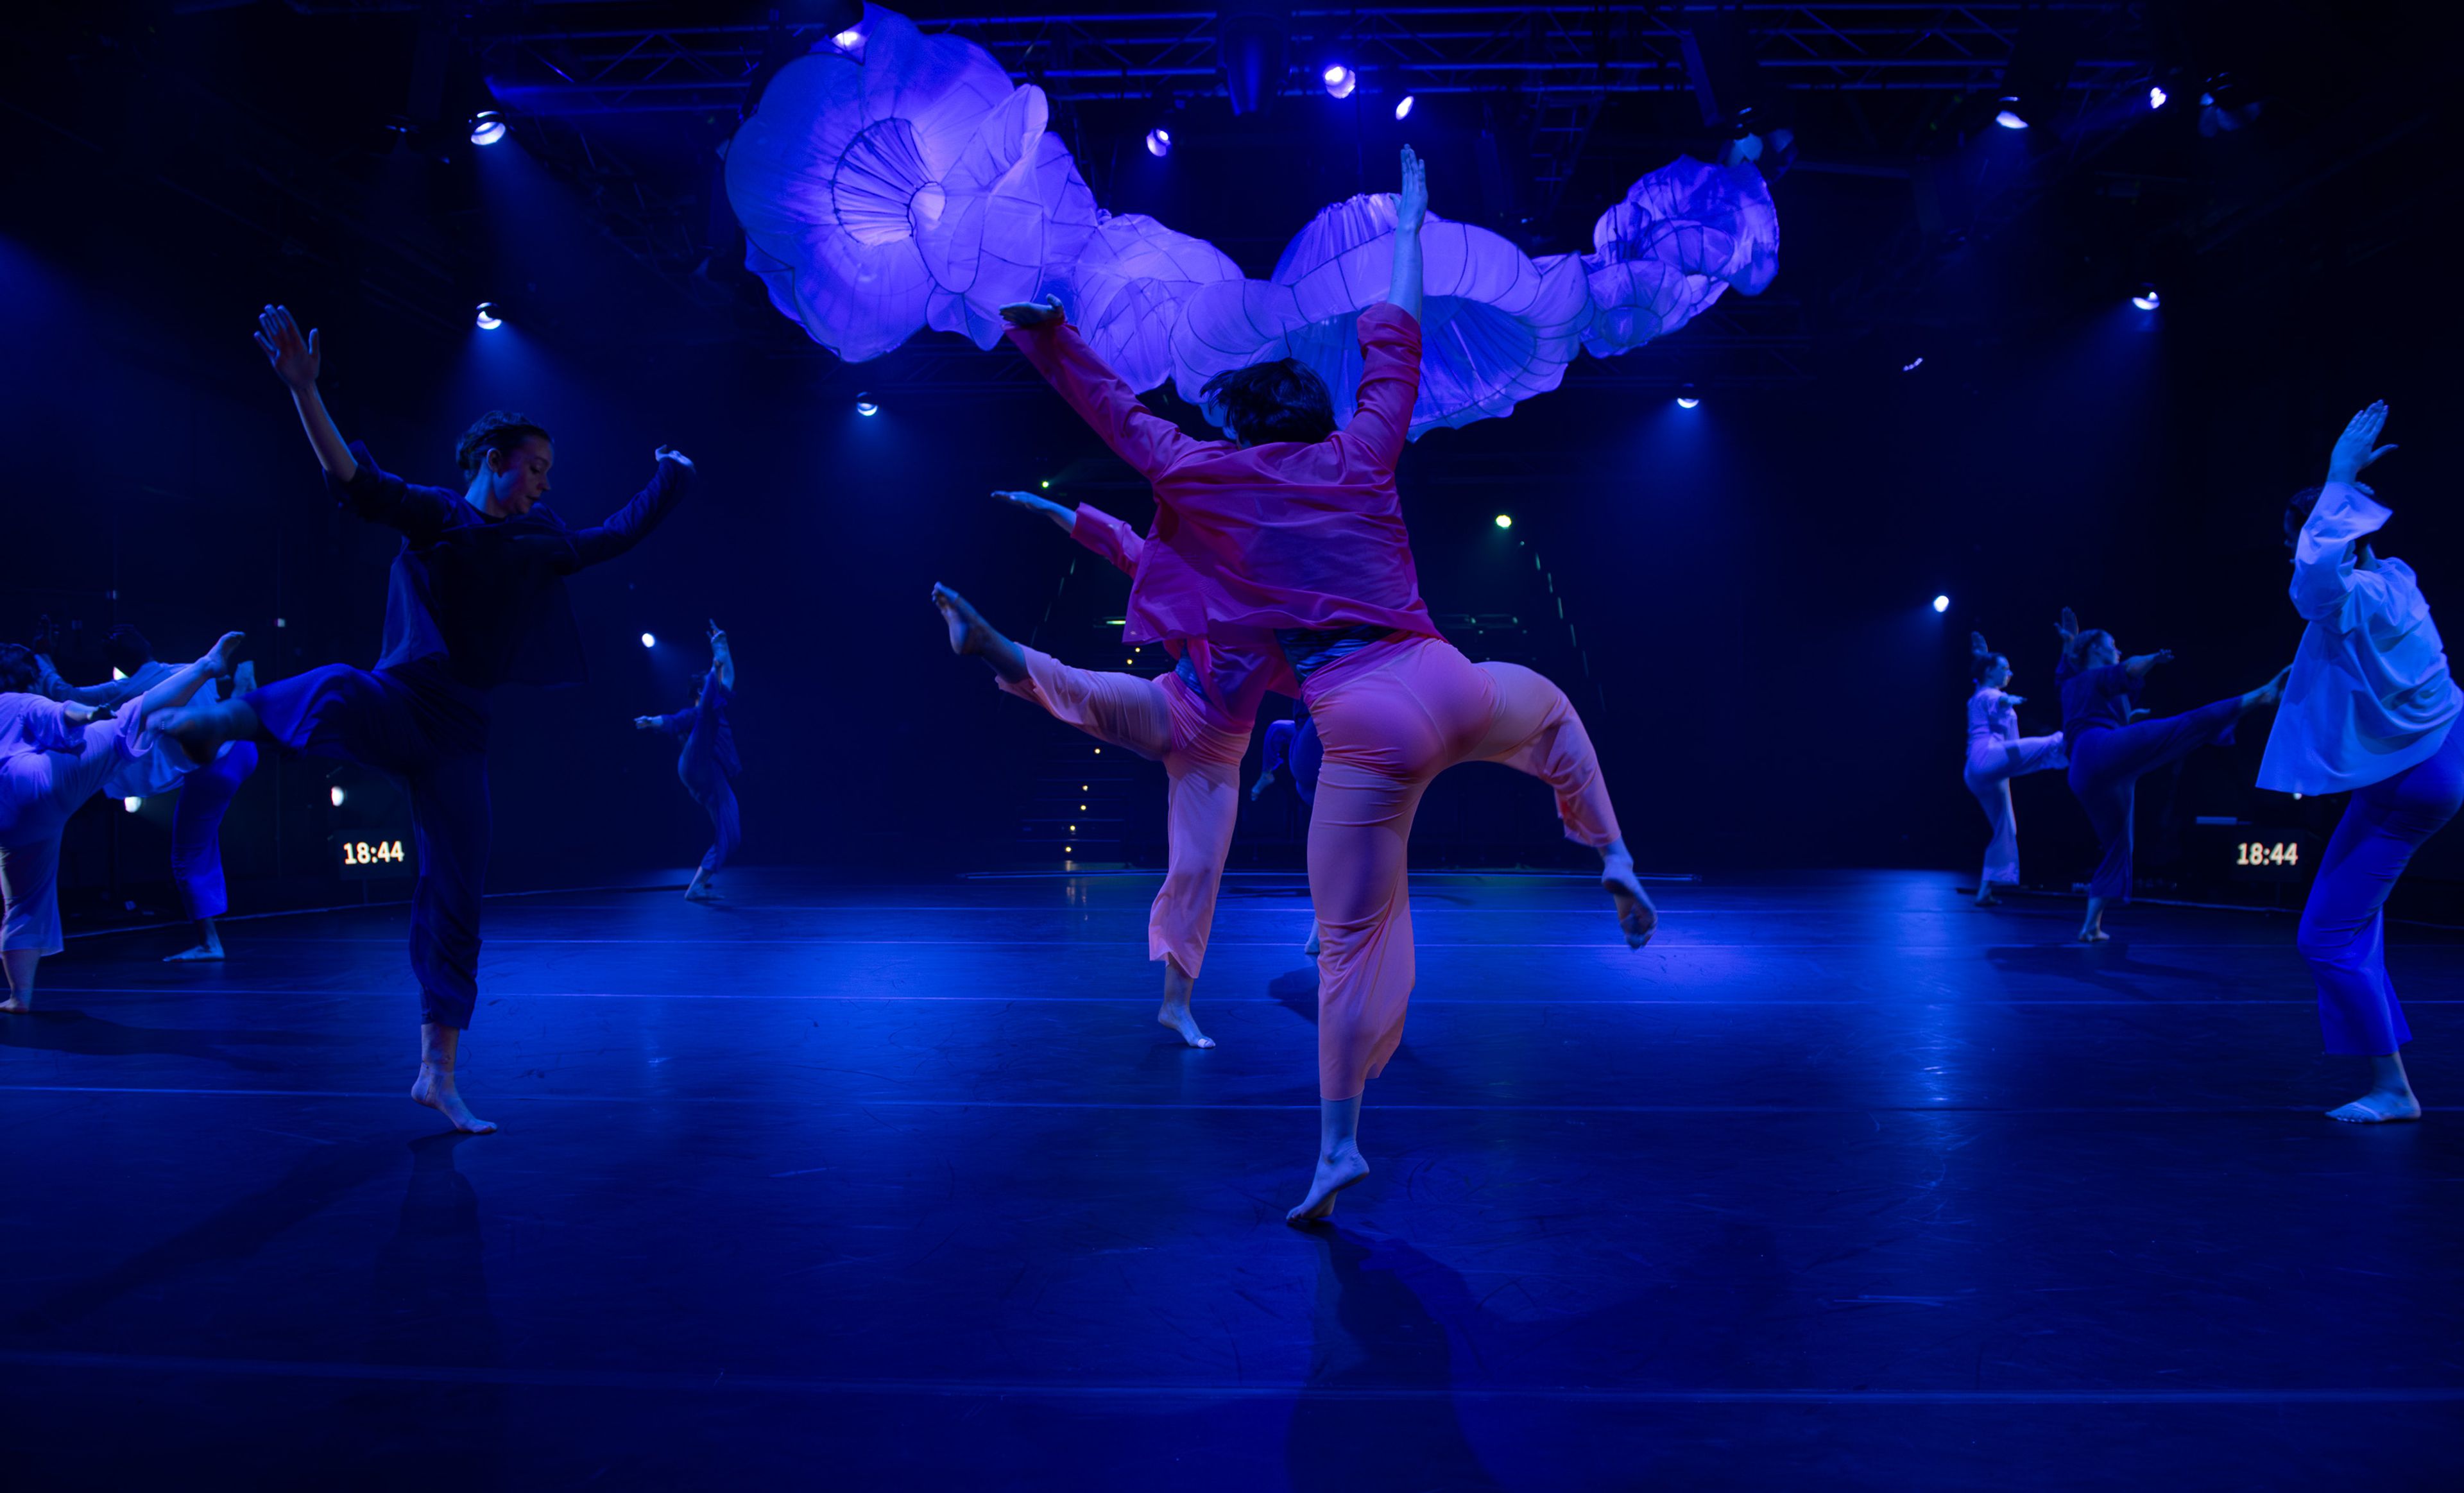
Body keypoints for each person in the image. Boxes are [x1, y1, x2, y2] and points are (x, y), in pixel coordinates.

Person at [999, 146, 1651, 1226]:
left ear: (1248, 426)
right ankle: (1615, 852)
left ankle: (1340, 1146)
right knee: (1552, 714)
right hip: (1449, 680)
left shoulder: (1208, 473)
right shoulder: (1362, 452)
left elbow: (1116, 413)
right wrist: (1407, 230)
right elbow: (1395, 338)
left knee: (1350, 943)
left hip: (1365, 722)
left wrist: (1046, 332)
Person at [153, 305, 694, 1134]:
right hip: (404, 701)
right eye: (536, 468)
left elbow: (614, 534)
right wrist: (305, 390)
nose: (547, 484)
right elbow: (354, 483)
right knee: (336, 684)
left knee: (458, 892)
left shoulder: (541, 538)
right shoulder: (442, 515)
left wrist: (672, 476)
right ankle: (223, 718)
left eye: (550, 472)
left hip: (462, 737)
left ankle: (435, 1072)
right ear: (491, 460)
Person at [937, 487, 1283, 1049]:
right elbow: (1128, 546)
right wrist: (1052, 509)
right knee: (1082, 690)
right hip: (1173, 705)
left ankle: (1176, 1005)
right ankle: (984, 640)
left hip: (1218, 754)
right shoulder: (1207, 576)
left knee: (1197, 874)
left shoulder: (1285, 605)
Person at [2256, 402, 2460, 1123]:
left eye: (2294, 541)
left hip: (2411, 783)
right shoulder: (2399, 577)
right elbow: (2330, 565)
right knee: (2352, 926)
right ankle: (2389, 1076)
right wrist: (2343, 499)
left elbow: (2315, 578)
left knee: (2325, 935)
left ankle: (2394, 1088)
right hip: (2425, 763)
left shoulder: (2354, 596)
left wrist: (2339, 475)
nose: (2294, 553)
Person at [2, 635, 243, 1013]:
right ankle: (205, 665)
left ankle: (20, 997)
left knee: (22, 900)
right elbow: (62, 711)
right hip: (35, 786)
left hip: (12, 824)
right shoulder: (18, 700)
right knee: (129, 720)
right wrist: (90, 715)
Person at [2055, 608, 2288, 942]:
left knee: (2118, 845)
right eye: (2112, 644)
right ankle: (2260, 696)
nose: (2117, 649)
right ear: (2095, 650)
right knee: (2183, 726)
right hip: (2099, 752)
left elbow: (2067, 672)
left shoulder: (2070, 685)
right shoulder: (2097, 677)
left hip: (2086, 773)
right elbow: (2129, 667)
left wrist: (2068, 646)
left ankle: (2091, 925)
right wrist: (2152, 658)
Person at [36, 627, 262, 960]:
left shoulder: (126, 687)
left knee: (186, 856)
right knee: (204, 845)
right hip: (243, 752)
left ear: (120, 665)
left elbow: (65, 694)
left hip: (213, 769)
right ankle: (209, 936)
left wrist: (43, 659)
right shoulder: (185, 668)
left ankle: (209, 944)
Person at [635, 620, 742, 903]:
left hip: (705, 776)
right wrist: (653, 721)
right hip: (697, 765)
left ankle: (699, 884)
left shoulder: (715, 707)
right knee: (705, 712)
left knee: (731, 832)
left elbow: (727, 681)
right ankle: (697, 887)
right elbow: (677, 719)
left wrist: (724, 648)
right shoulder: (701, 711)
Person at [1962, 633, 2066, 905]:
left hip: (1982, 772)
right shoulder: (1990, 695)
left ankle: (1985, 891)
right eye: (2004, 668)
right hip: (1987, 758)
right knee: (2052, 742)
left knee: (2006, 827)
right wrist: (2008, 701)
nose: (2010, 672)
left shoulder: (1980, 694)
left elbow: (2015, 743)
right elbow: (1995, 701)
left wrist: (1981, 657)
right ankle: (2080, 740)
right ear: (1989, 671)